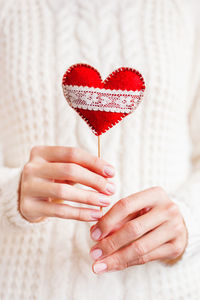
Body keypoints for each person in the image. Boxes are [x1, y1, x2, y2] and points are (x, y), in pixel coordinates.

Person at [0, 0, 200, 299]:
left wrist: (189, 218)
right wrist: (9, 194)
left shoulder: (187, 10)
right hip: (24, 286)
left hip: (166, 289)